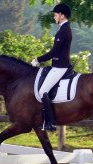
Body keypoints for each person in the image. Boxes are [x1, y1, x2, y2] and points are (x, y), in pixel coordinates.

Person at [31, 3, 72, 131]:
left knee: (43, 91)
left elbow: (54, 52)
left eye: (55, 14)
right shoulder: (63, 29)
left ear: (62, 15)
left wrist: (38, 59)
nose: (54, 17)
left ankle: (50, 122)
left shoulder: (64, 30)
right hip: (58, 65)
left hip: (60, 66)